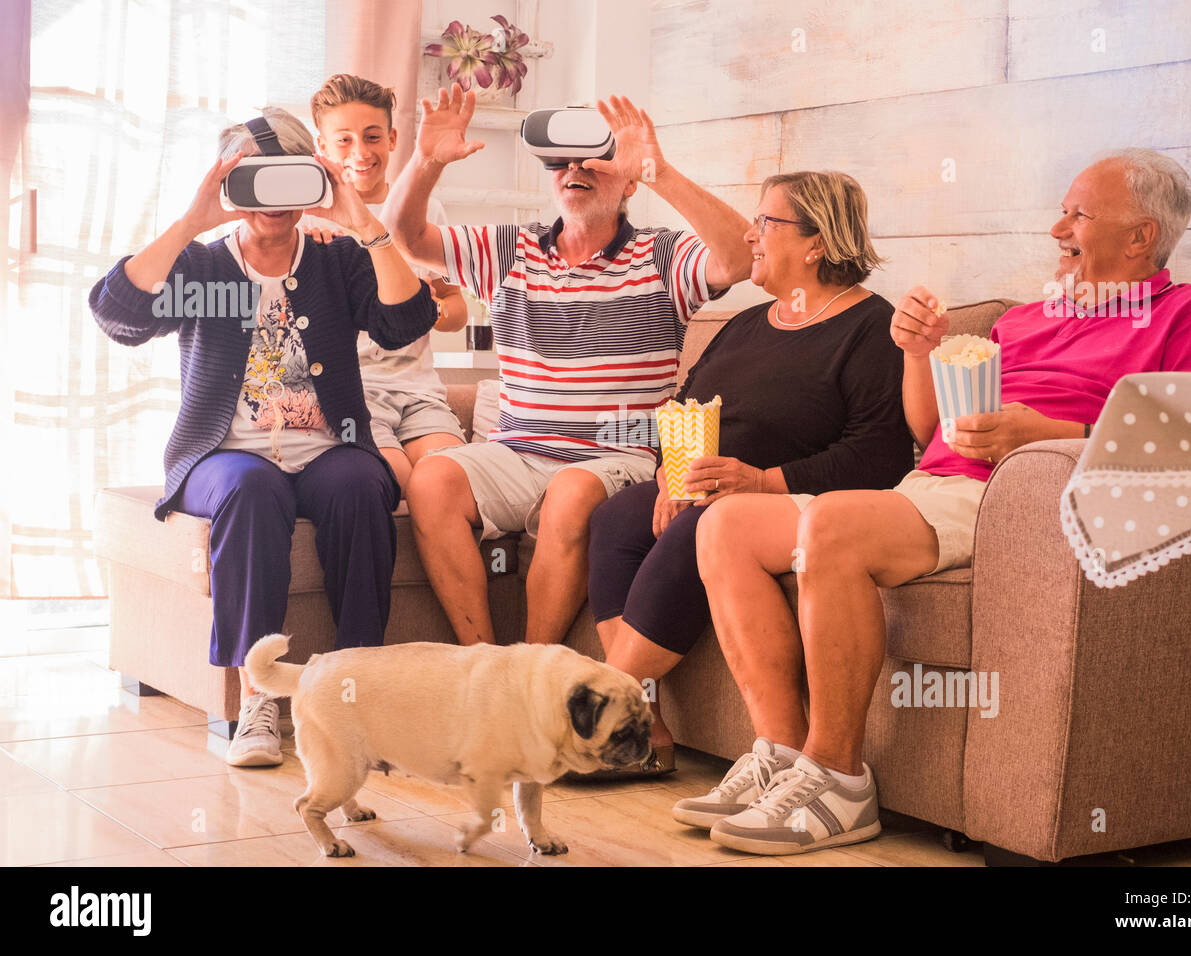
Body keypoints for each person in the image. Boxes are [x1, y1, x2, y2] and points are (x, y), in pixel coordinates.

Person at [686, 148, 1191, 854]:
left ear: (1141, 237)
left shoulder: (1187, 315)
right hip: (937, 485)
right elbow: (931, 432)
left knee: (832, 525)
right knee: (727, 525)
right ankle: (785, 755)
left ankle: (839, 780)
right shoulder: (1025, 320)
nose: (1056, 228)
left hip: (1021, 496)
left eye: (1077, 213)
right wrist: (917, 352)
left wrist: (1053, 433)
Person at [88, 107, 436, 767]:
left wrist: (361, 220)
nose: (271, 199)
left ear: (312, 180)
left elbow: (408, 320)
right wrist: (193, 220)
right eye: (252, 179)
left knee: (365, 482)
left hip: (329, 453)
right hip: (223, 459)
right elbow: (117, 314)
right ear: (229, 183)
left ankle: (355, 699)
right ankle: (257, 701)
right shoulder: (202, 267)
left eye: (288, 178)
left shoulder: (338, 261)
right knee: (254, 489)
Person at [387, 88, 753, 647]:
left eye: (595, 159)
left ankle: (536, 669)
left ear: (628, 180)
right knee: (433, 479)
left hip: (617, 456)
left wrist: (660, 171)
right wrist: (427, 160)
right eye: (559, 159)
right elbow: (404, 237)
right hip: (517, 452)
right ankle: (485, 664)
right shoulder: (510, 250)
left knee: (573, 491)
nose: (574, 168)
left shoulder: (661, 255)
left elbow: (740, 258)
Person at [585, 170, 915, 775]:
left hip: (793, 501)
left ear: (817, 242)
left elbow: (880, 454)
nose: (749, 234)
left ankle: (596, 704)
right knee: (614, 517)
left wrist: (760, 481)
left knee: (700, 526)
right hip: (711, 488)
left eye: (765, 222)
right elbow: (681, 407)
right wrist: (667, 477)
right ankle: (645, 732)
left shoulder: (871, 329)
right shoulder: (744, 324)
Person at [304, 73, 469, 495]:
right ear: (321, 147)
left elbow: (456, 310)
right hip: (351, 394)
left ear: (393, 139)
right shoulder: (306, 221)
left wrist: (422, 311)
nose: (360, 152)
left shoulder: (424, 212)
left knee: (448, 482)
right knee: (398, 482)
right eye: (343, 140)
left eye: (372, 136)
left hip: (419, 394)